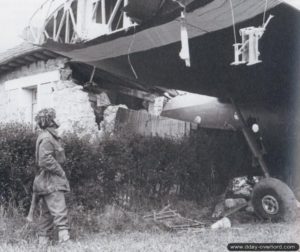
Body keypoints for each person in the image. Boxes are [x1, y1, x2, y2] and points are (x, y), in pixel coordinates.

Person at [33, 108, 70, 245]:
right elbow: (44, 159)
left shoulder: (48, 136)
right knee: (60, 210)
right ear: (51, 121)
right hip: (51, 180)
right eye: (55, 117)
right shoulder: (48, 138)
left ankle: (43, 243)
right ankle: (65, 242)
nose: (58, 119)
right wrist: (60, 172)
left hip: (46, 180)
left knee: (47, 213)